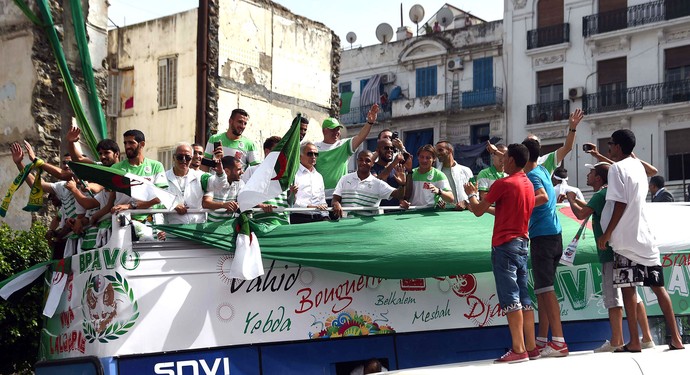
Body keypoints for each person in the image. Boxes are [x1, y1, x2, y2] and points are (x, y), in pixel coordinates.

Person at [598, 129, 685, 351]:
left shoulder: (617, 169)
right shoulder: (638, 166)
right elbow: (650, 170)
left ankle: (635, 341)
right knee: (658, 288)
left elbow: (620, 203)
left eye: (610, 144)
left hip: (625, 241)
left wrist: (606, 234)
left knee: (628, 289)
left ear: (617, 147)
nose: (608, 148)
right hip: (646, 239)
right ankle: (676, 338)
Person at [565, 161, 655, 352]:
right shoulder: (607, 194)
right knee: (634, 295)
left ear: (598, 177)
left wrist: (571, 199)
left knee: (612, 297)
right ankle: (646, 337)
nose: (587, 175)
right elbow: (592, 208)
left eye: (591, 172)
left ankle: (616, 340)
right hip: (623, 249)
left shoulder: (600, 194)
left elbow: (582, 213)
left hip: (608, 252)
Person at [464, 143, 537, 363]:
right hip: (523, 243)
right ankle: (530, 347)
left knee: (510, 298)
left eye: (504, 157)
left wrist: (471, 195)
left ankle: (518, 349)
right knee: (524, 297)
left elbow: (478, 210)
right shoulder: (527, 184)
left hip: (505, 245)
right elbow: (503, 210)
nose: (501, 160)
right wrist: (476, 205)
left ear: (512, 160)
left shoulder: (503, 183)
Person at [522, 138, 569, 357]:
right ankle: (542, 340)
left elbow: (541, 197)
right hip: (553, 234)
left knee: (547, 291)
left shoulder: (532, 175)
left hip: (544, 236)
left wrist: (520, 202)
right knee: (542, 289)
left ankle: (559, 341)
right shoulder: (542, 169)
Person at [315, 104, 379, 199]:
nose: (337, 132)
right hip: (319, 196)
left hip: (339, 195)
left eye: (338, 129)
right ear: (325, 131)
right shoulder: (315, 148)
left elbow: (360, 137)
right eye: (333, 129)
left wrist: (369, 122)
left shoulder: (344, 145)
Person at [331, 150, 405, 218]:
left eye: (367, 160)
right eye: (361, 160)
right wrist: (336, 204)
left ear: (373, 163)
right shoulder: (345, 178)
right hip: (344, 224)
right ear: (357, 161)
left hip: (367, 227)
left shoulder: (378, 183)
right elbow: (335, 199)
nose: (363, 163)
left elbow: (399, 195)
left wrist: (402, 184)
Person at [518, 108, 584, 175]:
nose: (530, 144)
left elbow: (567, 147)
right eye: (527, 142)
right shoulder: (517, 165)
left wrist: (573, 127)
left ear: (539, 146)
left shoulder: (547, 160)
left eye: (533, 142)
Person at [242, 136, 290, 226]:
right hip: (260, 224)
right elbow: (243, 196)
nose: (281, 154)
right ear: (267, 152)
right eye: (278, 151)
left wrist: (293, 193)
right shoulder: (252, 171)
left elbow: (290, 201)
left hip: (283, 224)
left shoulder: (285, 173)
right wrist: (260, 206)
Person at [164, 142, 212, 224]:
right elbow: (157, 201)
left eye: (188, 157)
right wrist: (173, 205)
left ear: (191, 158)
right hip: (172, 230)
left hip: (197, 229)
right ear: (173, 157)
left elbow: (218, 184)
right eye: (180, 157)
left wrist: (220, 173)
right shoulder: (163, 177)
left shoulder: (201, 176)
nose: (184, 160)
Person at [290, 142, 329, 224]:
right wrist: (310, 207)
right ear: (300, 156)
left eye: (316, 154)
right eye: (310, 154)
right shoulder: (293, 174)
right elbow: (290, 202)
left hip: (318, 218)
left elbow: (322, 199)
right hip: (299, 218)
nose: (313, 157)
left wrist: (325, 215)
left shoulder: (319, 176)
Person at [203, 156, 244, 222]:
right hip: (210, 226)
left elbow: (243, 200)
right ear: (227, 171)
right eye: (238, 169)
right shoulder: (213, 180)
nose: (242, 172)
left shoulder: (240, 183)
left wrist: (235, 205)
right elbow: (206, 203)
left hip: (229, 226)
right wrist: (223, 205)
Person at [435, 141, 473, 210]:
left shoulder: (466, 170)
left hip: (465, 214)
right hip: (443, 215)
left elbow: (475, 192)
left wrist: (466, 202)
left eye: (440, 150)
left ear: (450, 150)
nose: (438, 154)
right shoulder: (436, 173)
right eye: (436, 151)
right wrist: (438, 202)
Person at [371, 138, 406, 207]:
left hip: (395, 212)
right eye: (386, 148)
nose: (390, 150)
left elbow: (401, 193)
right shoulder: (372, 168)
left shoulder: (397, 169)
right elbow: (377, 182)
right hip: (379, 212)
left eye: (392, 148)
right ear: (378, 150)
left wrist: (403, 184)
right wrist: (393, 163)